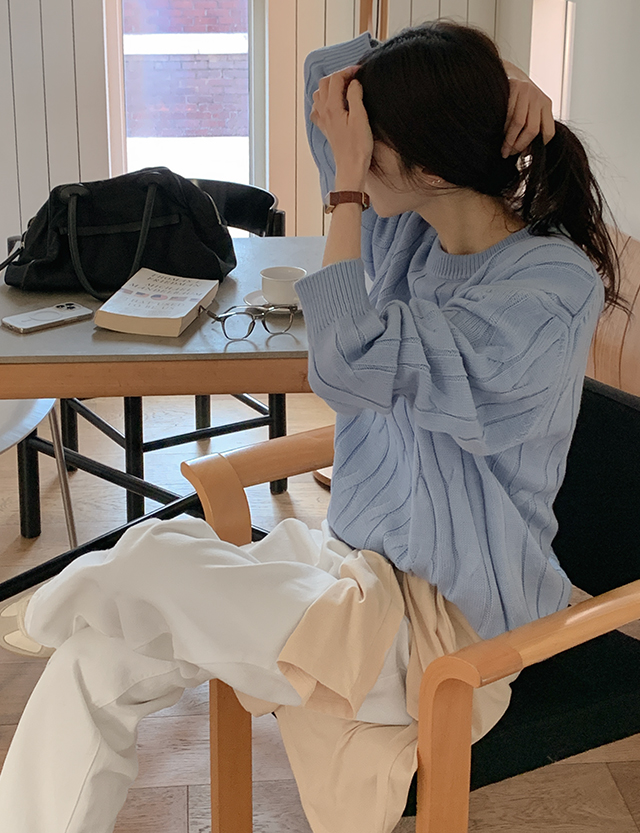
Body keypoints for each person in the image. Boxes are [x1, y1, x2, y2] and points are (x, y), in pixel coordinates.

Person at [0, 20, 622, 833]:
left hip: (445, 623)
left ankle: (66, 598)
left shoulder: (547, 292)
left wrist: (347, 195)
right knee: (100, 653)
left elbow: (345, 364)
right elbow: (328, 77)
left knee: (151, 564)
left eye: (367, 151)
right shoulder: (418, 224)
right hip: (350, 566)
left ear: (431, 169)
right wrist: (499, 77)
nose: (346, 157)